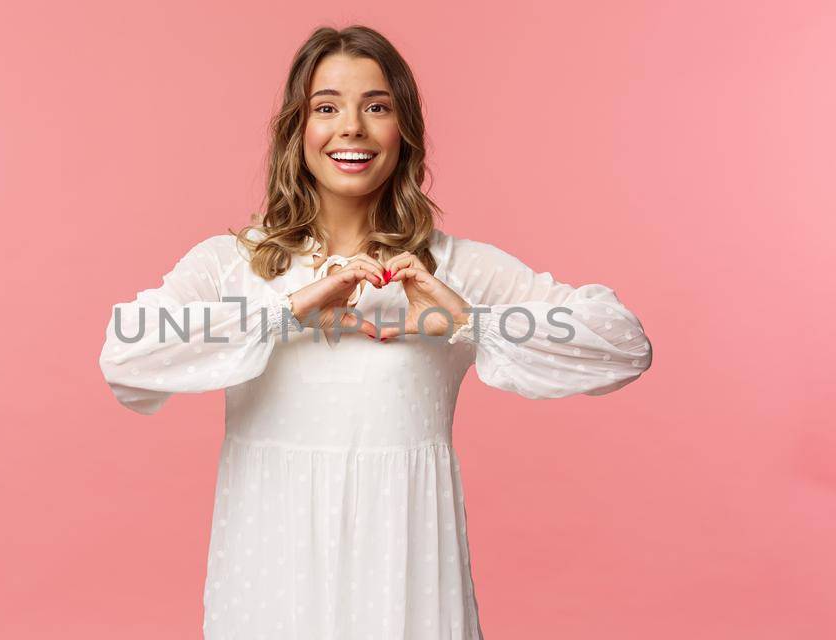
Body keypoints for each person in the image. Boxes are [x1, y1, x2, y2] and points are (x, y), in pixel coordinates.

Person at [99, 24, 653, 639]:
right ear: (297, 130)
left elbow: (621, 344)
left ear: (404, 130)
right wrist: (286, 314)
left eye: (377, 107)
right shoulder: (235, 264)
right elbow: (127, 349)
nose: (352, 129)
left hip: (406, 579)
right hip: (271, 576)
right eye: (327, 107)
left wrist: (466, 321)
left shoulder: (451, 268)